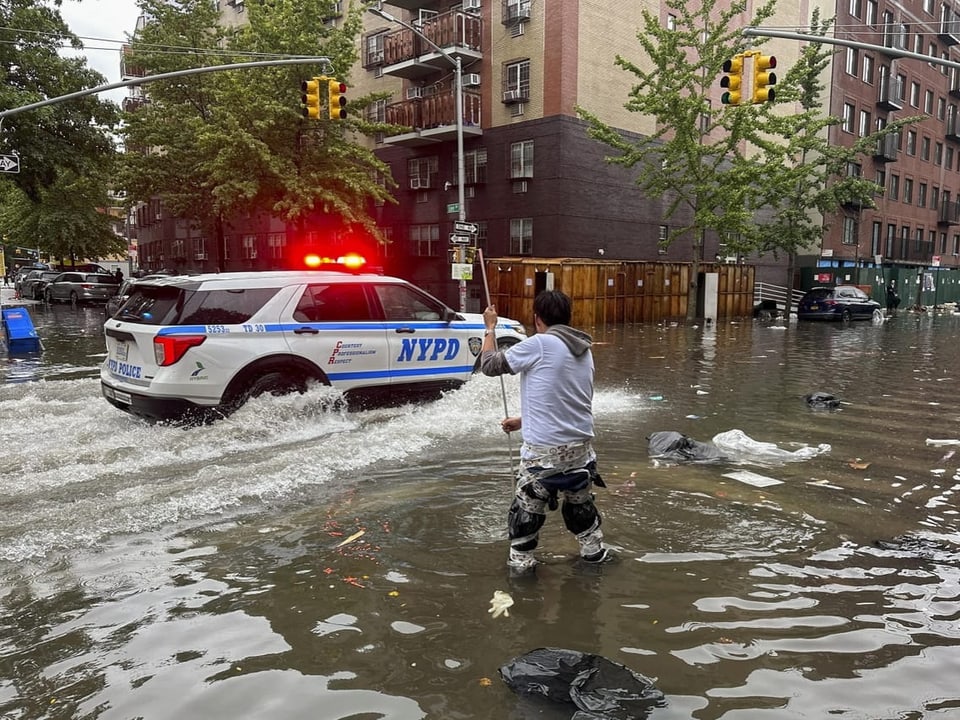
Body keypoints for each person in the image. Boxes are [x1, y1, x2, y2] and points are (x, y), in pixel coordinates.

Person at [481, 290, 610, 571]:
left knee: (526, 512)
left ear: (537, 319)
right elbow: (566, 399)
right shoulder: (583, 349)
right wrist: (523, 420)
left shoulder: (539, 343)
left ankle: (523, 572)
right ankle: (593, 556)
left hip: (544, 455)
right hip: (581, 452)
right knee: (581, 508)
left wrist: (489, 328)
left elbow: (489, 366)